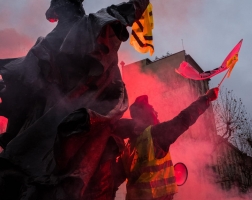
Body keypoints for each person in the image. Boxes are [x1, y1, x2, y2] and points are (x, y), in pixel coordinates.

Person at [0, 0, 149, 199]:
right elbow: (125, 11)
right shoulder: (90, 26)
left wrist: (14, 141)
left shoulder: (44, 44)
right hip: (74, 130)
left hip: (49, 134)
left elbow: (20, 95)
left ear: (57, 11)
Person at [115, 87, 219, 200]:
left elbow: (113, 180)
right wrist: (206, 98)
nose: (157, 112)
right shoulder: (155, 134)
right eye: (152, 109)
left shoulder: (127, 149)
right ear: (147, 114)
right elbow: (183, 119)